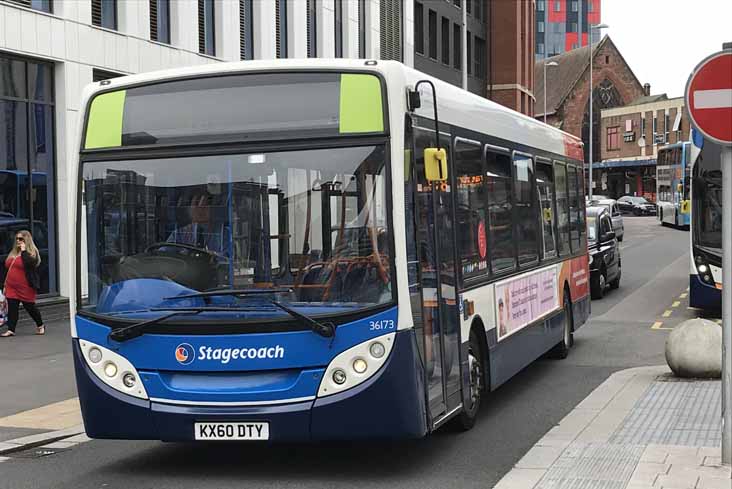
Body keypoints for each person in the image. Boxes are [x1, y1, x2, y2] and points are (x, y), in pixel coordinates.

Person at [0, 230, 44, 337]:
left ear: (27, 240)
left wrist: (24, 251)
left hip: (25, 286)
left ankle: (40, 325)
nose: (18, 241)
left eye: (21, 239)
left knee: (30, 307)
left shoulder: (32, 253)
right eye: (17, 239)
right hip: (11, 286)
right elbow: (7, 266)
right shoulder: (14, 252)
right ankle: (11, 329)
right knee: (12, 307)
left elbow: (29, 264)